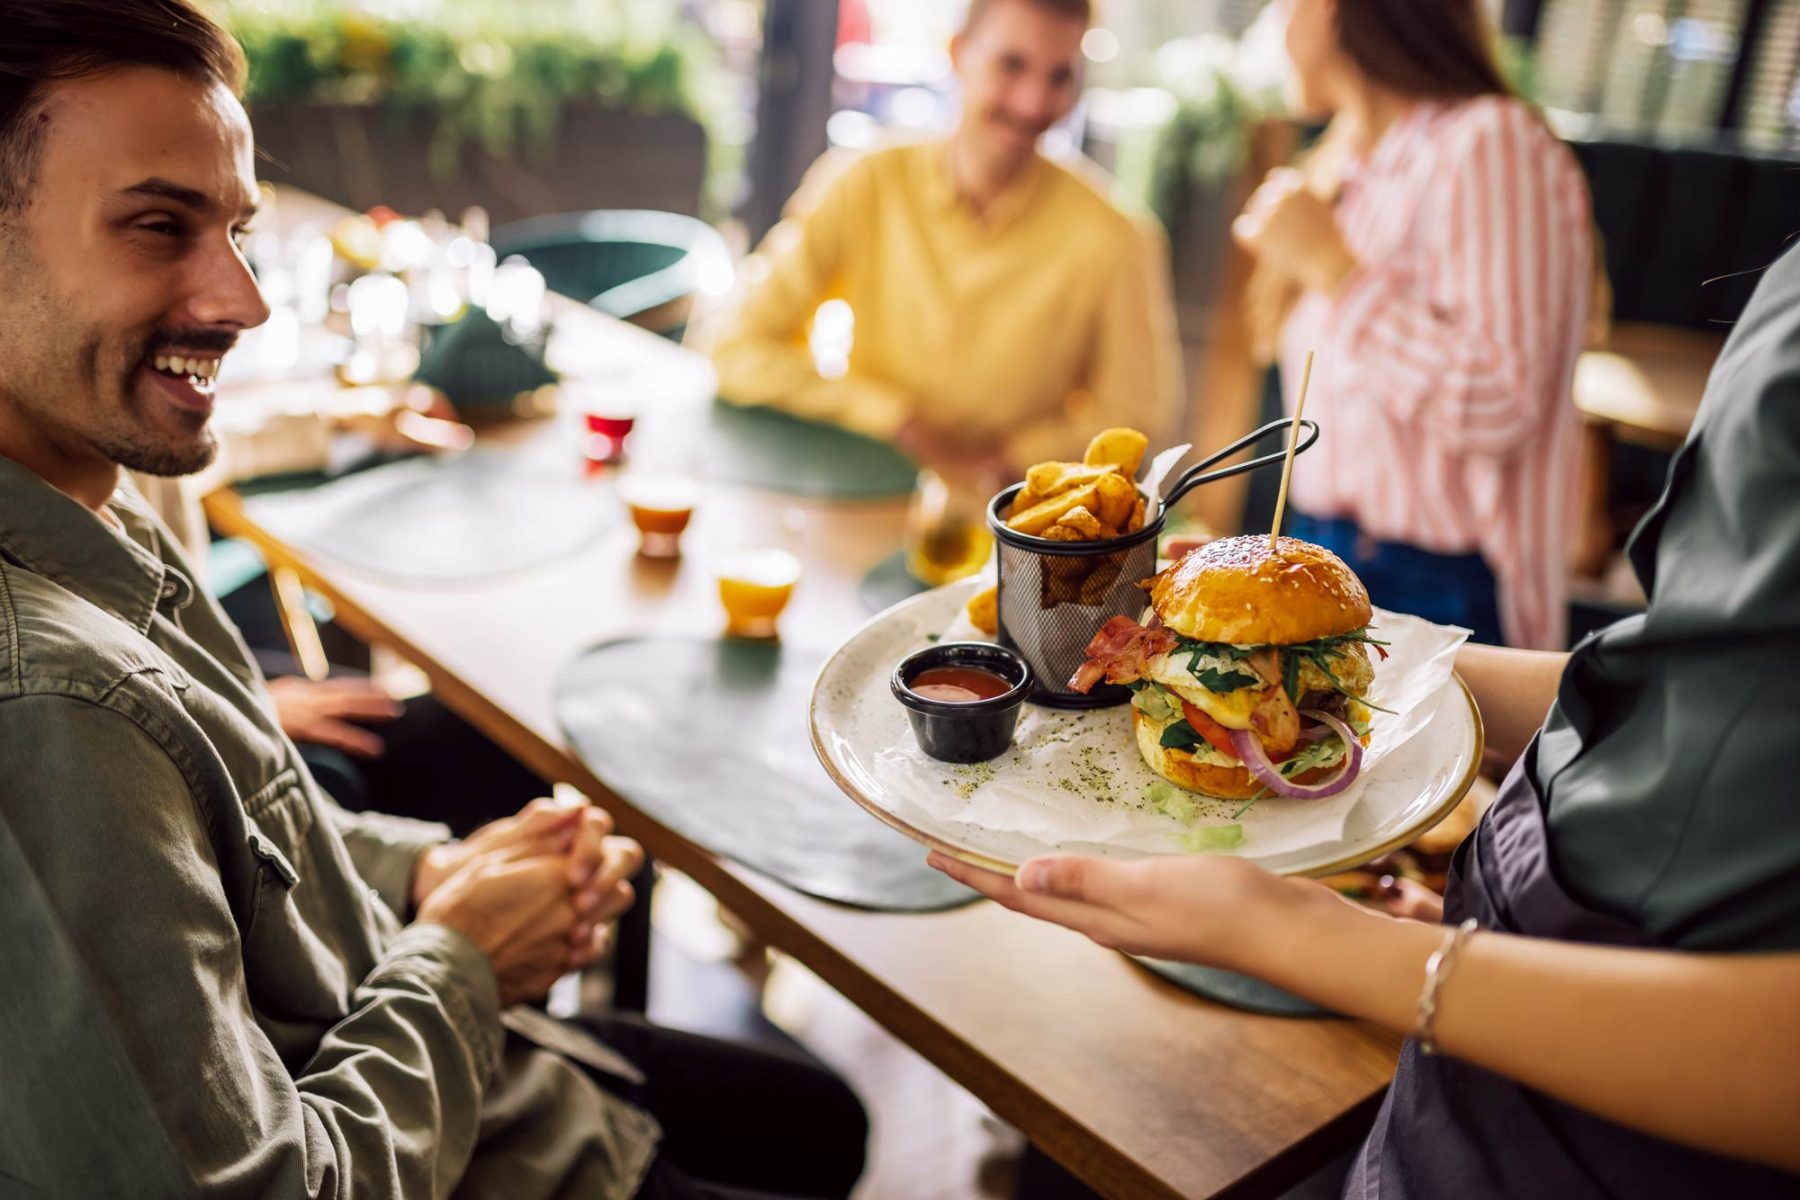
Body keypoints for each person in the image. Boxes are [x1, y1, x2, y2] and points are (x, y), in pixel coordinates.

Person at [0, 4, 867, 1197]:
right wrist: (464, 958)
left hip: (466, 1053)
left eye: (238, 230)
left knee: (821, 1119)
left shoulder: (95, 491)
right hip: (465, 1133)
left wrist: (431, 882)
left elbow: (258, 844)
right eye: (159, 226)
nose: (244, 301)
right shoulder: (57, 708)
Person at [932, 241, 1800, 1195]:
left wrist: (1301, 937)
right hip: (1493, 1015)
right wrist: (1357, 667)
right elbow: (1700, 692)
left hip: (1618, 1149)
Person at [707, 0, 1183, 497]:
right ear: (958, 53)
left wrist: (1009, 461)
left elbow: (1140, 417)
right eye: (1012, 65)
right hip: (857, 490)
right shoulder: (865, 182)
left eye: (1060, 77)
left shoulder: (1120, 238)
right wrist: (894, 418)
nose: (1033, 104)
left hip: (1015, 518)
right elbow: (738, 344)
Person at [1233, 0, 1594, 649]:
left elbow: (1503, 403)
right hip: (1323, 549)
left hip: (1433, 583)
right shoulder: (1352, 163)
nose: (1275, 27)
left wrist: (1335, 270)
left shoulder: (1490, 142)